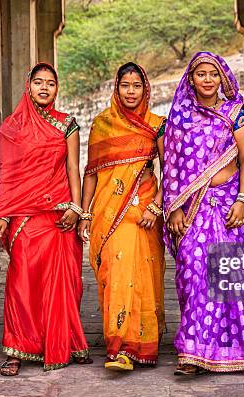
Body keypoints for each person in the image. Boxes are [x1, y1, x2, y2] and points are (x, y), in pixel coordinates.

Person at [0, 62, 91, 375]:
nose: (44, 88)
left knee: (61, 285)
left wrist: (76, 207)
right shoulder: (12, 128)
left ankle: (65, 342)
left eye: (51, 83)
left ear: (57, 89)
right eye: (39, 82)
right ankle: (17, 348)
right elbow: (10, 176)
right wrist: (3, 215)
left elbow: (73, 168)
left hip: (58, 216)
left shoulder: (66, 123)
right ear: (28, 86)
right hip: (26, 219)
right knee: (21, 284)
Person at [163, 52, 244, 374]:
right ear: (190, 79)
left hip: (228, 205)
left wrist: (243, 200)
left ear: (223, 79)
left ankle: (227, 348)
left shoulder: (236, 114)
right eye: (201, 74)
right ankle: (192, 351)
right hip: (191, 211)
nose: (207, 80)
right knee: (192, 272)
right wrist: (174, 208)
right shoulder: (180, 118)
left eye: (214, 74)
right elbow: (172, 167)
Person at [78, 62, 166, 371]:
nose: (131, 91)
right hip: (108, 212)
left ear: (145, 89)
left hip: (143, 213)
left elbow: (171, 171)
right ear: (117, 88)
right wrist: (85, 213)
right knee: (116, 275)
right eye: (125, 85)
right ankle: (119, 344)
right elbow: (91, 173)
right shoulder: (102, 124)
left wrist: (156, 206)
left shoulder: (157, 124)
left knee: (139, 275)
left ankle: (136, 345)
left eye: (137, 86)